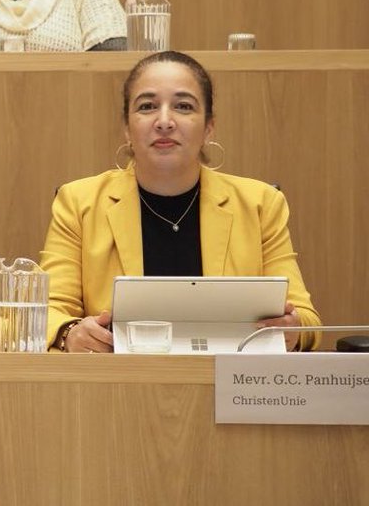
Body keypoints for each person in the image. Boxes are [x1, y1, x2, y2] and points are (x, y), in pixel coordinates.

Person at [39, 51, 321, 352]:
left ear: (209, 127)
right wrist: (70, 334)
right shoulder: (79, 203)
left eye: (183, 106)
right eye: (147, 106)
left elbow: (306, 320)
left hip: (230, 387)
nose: (164, 121)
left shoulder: (261, 204)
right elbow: (48, 312)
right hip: (115, 386)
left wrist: (292, 331)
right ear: (127, 127)